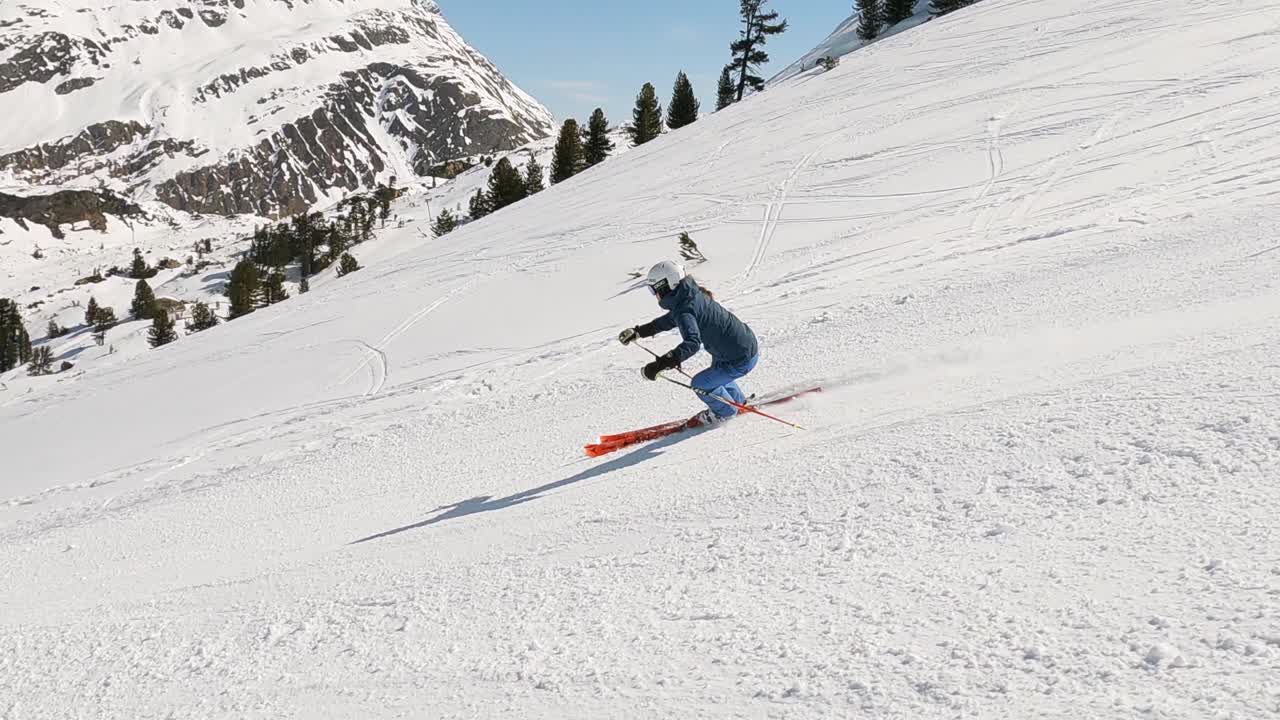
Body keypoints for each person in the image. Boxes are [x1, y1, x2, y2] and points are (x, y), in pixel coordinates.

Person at [618, 260, 759, 424]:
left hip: (739, 357)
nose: (654, 294)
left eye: (653, 289)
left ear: (667, 285)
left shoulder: (685, 307)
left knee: (700, 384)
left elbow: (692, 343)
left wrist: (661, 364)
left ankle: (726, 413)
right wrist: (639, 332)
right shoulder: (689, 296)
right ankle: (738, 402)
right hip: (740, 347)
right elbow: (671, 320)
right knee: (715, 374)